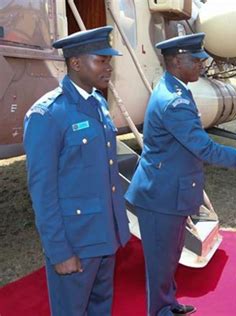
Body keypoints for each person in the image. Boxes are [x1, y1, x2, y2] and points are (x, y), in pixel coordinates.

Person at [124, 33, 236, 316]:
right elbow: (206, 149)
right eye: (195, 60)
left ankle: (168, 305)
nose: (202, 64)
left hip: (170, 191)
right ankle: (159, 311)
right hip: (160, 195)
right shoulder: (174, 101)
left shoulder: (179, 89)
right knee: (161, 263)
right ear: (176, 61)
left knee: (170, 258)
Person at [23, 26, 131, 315]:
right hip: (76, 241)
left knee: (100, 309)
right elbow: (42, 191)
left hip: (104, 235)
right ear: (76, 62)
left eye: (109, 60)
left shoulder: (97, 103)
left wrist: (117, 230)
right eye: (101, 60)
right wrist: (60, 251)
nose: (108, 67)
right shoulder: (47, 114)